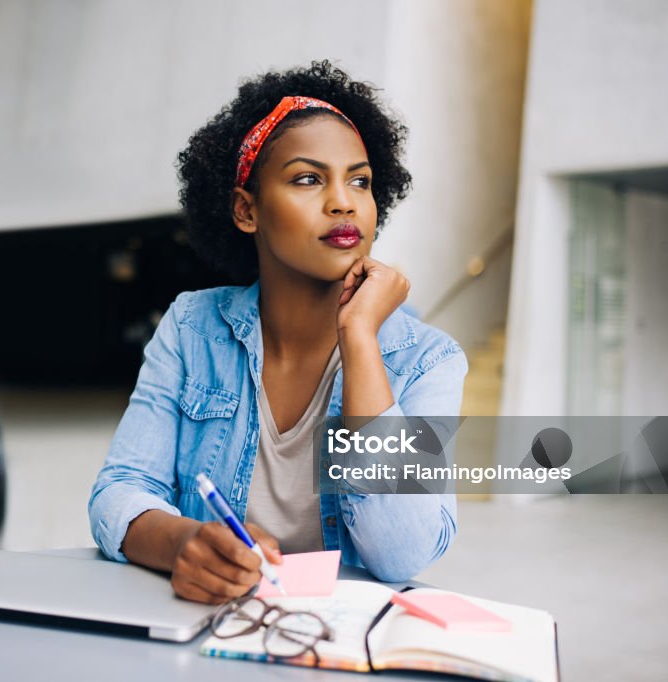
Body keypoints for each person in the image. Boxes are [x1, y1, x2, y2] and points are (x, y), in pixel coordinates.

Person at [89, 60, 467, 604]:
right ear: (247, 210)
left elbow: (401, 553)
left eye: (359, 180)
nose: (343, 201)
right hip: (208, 629)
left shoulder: (429, 360)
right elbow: (119, 491)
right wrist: (184, 543)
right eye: (309, 179)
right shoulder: (193, 328)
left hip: (341, 643)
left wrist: (360, 338)